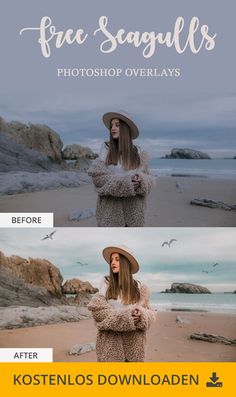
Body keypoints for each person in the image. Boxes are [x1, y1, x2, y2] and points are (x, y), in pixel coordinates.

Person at [87, 245, 156, 362]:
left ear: (126, 263)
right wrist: (127, 317)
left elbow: (151, 314)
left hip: (134, 349)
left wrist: (141, 316)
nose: (112, 262)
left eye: (117, 260)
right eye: (111, 260)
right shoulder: (106, 284)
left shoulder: (141, 288)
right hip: (110, 348)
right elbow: (99, 313)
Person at [88, 111, 155, 227]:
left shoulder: (139, 153)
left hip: (134, 214)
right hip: (110, 213)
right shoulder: (106, 149)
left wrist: (141, 181)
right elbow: (98, 178)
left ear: (125, 129)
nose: (112, 128)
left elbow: (151, 180)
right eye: (111, 125)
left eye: (117, 125)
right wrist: (127, 183)